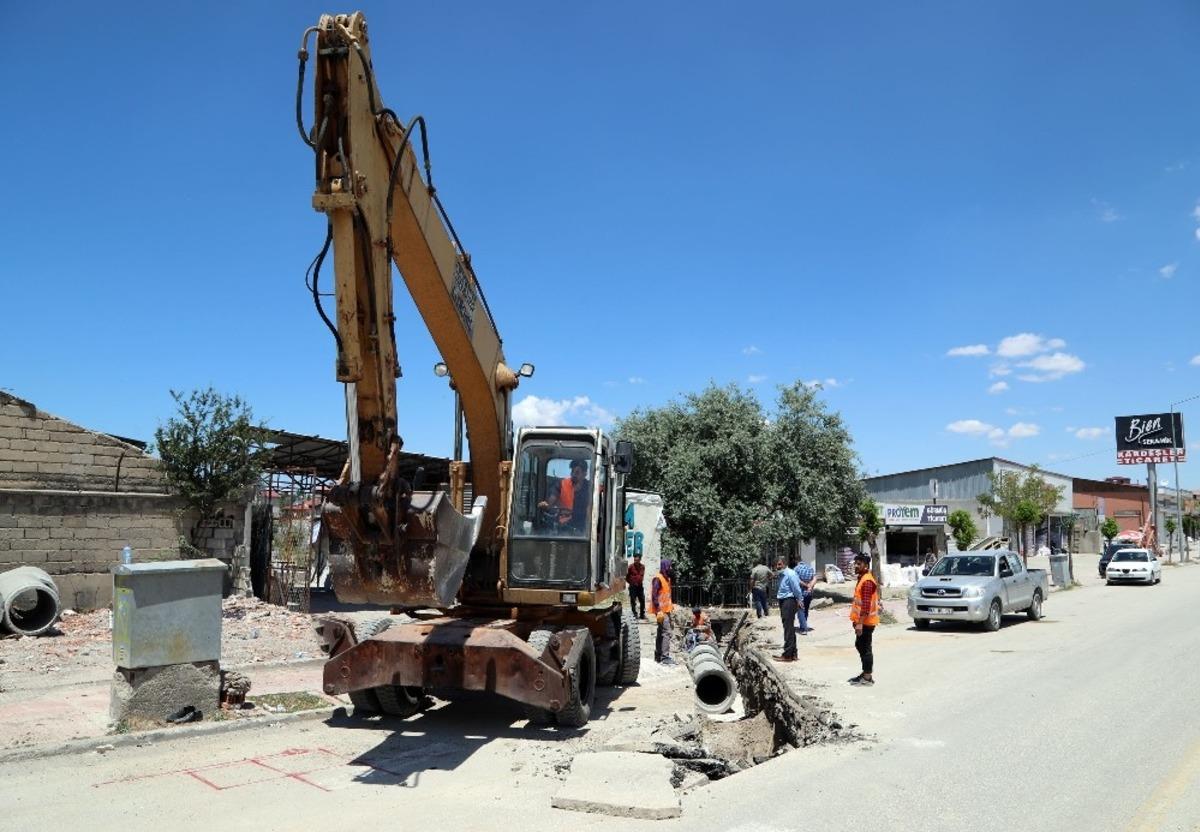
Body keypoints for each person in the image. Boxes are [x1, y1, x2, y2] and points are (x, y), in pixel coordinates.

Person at [848, 553, 879, 686]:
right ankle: (866, 672)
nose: (856, 565)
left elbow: (865, 606)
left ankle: (867, 677)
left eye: (859, 563)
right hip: (863, 621)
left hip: (865, 622)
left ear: (866, 566)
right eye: (855, 563)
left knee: (865, 647)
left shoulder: (866, 581)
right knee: (860, 645)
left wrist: (859, 624)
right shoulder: (863, 578)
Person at [537, 459, 590, 531]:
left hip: (583, 530)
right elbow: (551, 502)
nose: (573, 474)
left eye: (577, 472)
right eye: (572, 471)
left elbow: (591, 511)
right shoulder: (561, 484)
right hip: (563, 528)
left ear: (584, 474)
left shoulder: (591, 488)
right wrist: (546, 506)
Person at [774, 556, 803, 662]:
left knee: (788, 628)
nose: (777, 566)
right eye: (776, 564)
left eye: (780, 564)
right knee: (789, 627)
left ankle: (787, 654)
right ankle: (793, 653)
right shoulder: (781, 574)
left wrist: (800, 599)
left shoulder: (790, 573)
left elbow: (796, 588)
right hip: (784, 600)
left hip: (789, 601)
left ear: (785, 564)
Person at [650, 558, 675, 664]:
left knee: (661, 632)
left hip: (666, 610)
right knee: (666, 632)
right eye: (670, 566)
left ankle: (658, 655)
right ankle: (665, 657)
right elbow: (654, 595)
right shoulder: (658, 579)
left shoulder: (667, 578)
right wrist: (658, 610)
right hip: (661, 611)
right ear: (665, 566)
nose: (671, 568)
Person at [793, 557, 816, 634]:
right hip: (809, 593)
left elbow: (797, 580)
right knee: (806, 609)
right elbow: (814, 578)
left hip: (801, 593)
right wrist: (810, 586)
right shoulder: (810, 568)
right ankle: (804, 624)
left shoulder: (796, 569)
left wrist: (806, 585)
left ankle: (803, 628)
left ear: (796, 561)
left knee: (800, 609)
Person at [626, 552, 646, 620]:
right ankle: (634, 613)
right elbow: (627, 576)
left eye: (637, 560)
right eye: (635, 560)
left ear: (640, 560)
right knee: (633, 600)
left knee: (642, 600)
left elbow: (642, 575)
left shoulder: (642, 567)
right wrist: (631, 582)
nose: (636, 561)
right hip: (633, 587)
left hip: (640, 586)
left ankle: (642, 614)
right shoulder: (631, 567)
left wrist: (639, 580)